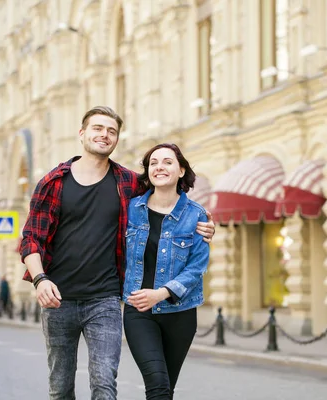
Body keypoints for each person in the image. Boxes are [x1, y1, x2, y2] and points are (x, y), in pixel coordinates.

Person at [19, 106, 215, 400]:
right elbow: (32, 238)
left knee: (104, 384)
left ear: (117, 139)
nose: (104, 135)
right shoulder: (53, 182)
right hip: (59, 298)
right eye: (97, 128)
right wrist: (40, 279)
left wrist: (206, 224)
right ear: (82, 133)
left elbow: (167, 198)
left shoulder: (128, 183)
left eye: (111, 131)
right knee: (60, 387)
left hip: (106, 299)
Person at [123, 143, 210, 400]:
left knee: (165, 390)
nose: (160, 166)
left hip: (180, 314)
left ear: (181, 170)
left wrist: (161, 293)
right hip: (139, 312)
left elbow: (197, 267)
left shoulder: (197, 215)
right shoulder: (129, 210)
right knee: (158, 384)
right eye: (154, 163)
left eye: (168, 162)